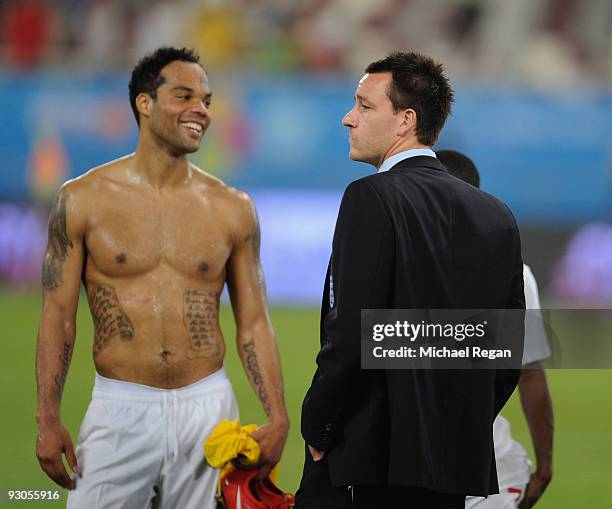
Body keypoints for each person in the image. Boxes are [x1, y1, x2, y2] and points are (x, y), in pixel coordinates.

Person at [35, 46, 289, 509]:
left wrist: (278, 416)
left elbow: (254, 321)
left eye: (207, 101)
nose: (201, 111)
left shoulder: (233, 208)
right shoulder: (82, 199)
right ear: (144, 103)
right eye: (184, 96)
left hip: (208, 410)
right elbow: (59, 316)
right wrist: (47, 418)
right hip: (119, 408)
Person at [296, 51, 525, 509]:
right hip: (450, 468)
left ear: (405, 120)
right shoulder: (496, 214)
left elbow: (351, 336)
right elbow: (505, 350)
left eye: (363, 105)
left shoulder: (370, 198)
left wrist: (319, 427)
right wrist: (459, 425)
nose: (348, 118)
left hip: (364, 464)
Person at [436, 150, 554, 509]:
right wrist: (545, 463)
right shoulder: (514, 273)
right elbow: (529, 375)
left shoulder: (393, 264)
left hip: (405, 464)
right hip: (489, 469)